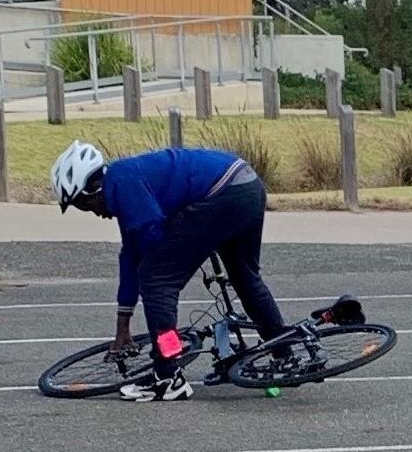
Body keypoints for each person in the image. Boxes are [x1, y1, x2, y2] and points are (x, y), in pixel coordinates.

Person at [52, 136, 290, 402]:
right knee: (245, 277)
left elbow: (152, 247)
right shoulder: (123, 182)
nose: (92, 213)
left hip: (222, 193)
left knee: (157, 281)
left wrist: (171, 258)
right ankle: (285, 353)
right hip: (247, 185)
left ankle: (168, 375)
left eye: (83, 205)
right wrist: (123, 326)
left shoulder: (123, 184)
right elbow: (131, 255)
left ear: (92, 189)